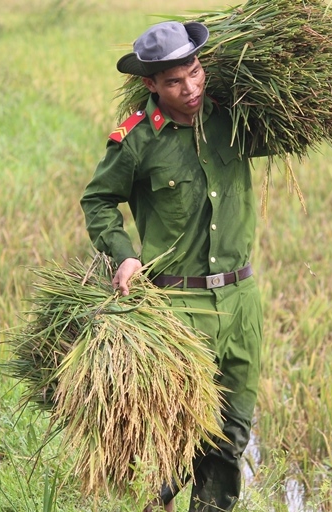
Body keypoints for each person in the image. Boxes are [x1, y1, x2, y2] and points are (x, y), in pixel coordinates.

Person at [80, 20, 264, 512]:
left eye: (196, 72)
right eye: (175, 82)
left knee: (232, 433)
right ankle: (154, 500)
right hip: (178, 307)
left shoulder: (235, 119)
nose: (191, 89)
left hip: (242, 302)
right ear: (151, 85)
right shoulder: (137, 140)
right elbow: (98, 201)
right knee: (181, 439)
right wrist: (125, 254)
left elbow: (299, 126)